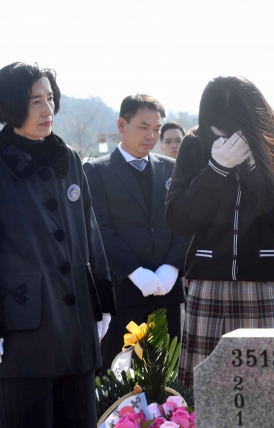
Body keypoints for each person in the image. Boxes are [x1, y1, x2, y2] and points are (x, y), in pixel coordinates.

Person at [0, 62, 116, 428]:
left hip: (76, 329)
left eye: (51, 98)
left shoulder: (67, 159)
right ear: (9, 106)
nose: (47, 109)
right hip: (19, 337)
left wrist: (102, 300)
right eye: (35, 100)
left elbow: (90, 232)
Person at [166, 76, 274, 388]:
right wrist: (216, 170)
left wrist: (253, 168)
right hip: (210, 285)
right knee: (206, 396)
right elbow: (179, 220)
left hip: (271, 284)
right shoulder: (195, 142)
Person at [84, 94, 189, 373]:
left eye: (156, 129)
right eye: (144, 127)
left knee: (167, 378)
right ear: (122, 124)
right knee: (113, 379)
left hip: (166, 293)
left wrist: (171, 267)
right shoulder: (96, 171)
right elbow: (99, 228)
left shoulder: (172, 168)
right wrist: (133, 271)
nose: (151, 135)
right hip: (122, 294)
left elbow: (185, 221)